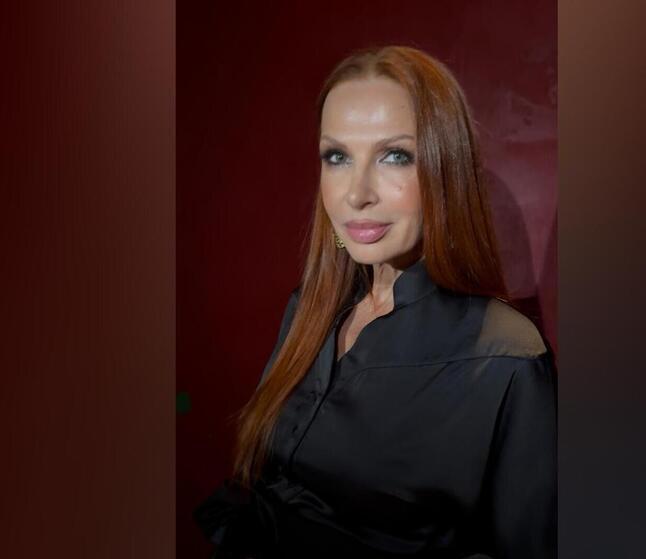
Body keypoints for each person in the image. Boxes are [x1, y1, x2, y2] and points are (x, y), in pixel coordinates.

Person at [193, 45, 557, 559]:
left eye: (394, 156)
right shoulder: (309, 310)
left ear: (445, 170)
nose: (356, 192)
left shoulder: (506, 360)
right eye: (337, 157)